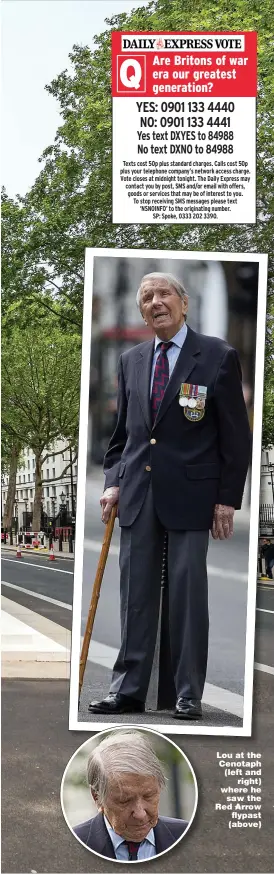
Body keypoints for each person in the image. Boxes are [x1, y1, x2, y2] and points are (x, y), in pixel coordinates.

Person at [88, 272, 251, 720]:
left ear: (183, 303)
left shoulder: (217, 356)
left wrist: (226, 499)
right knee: (135, 596)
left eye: (163, 294)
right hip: (138, 496)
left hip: (193, 497)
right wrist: (113, 482)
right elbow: (123, 437)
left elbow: (235, 438)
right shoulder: (131, 359)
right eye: (146, 297)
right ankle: (128, 690)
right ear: (142, 311)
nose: (154, 302)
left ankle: (187, 693)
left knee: (186, 595)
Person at [74, 730, 188, 860]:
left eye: (148, 796)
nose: (140, 814)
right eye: (125, 800)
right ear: (97, 797)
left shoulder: (189, 836)